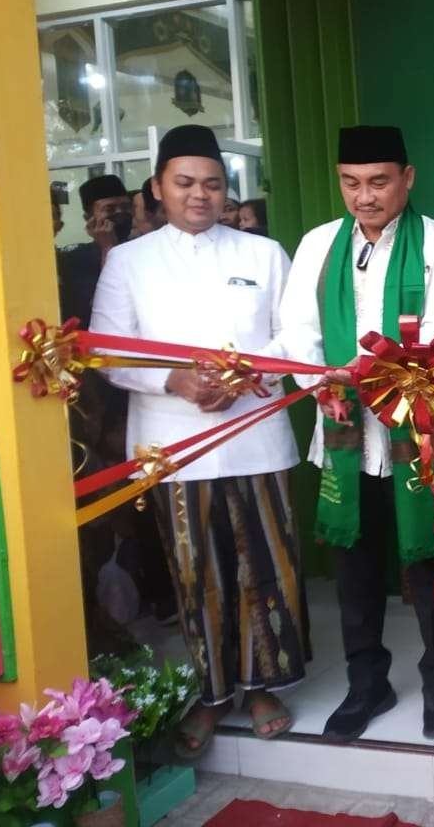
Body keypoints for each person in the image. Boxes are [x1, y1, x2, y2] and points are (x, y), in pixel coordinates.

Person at [90, 124, 307, 759]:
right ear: (157, 188)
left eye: (212, 184)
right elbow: (106, 351)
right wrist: (172, 379)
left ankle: (265, 685)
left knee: (266, 565)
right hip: (173, 444)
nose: (199, 195)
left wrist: (244, 374)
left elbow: (295, 339)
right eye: (184, 183)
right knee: (195, 573)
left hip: (256, 437)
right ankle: (211, 695)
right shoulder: (128, 262)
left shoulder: (262, 254)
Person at [280, 125, 434, 744]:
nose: (365, 196)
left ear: (407, 179)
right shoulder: (317, 245)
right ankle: (368, 685)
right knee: (354, 574)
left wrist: (361, 372)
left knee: (429, 569)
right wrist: (321, 377)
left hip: (417, 438)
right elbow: (298, 333)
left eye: (379, 182)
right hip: (342, 437)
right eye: (351, 183)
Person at [58, 174, 133, 329]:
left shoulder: (142, 249)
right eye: (109, 209)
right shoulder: (75, 259)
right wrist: (107, 248)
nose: (120, 213)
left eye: (125, 207)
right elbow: (105, 304)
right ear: (89, 218)